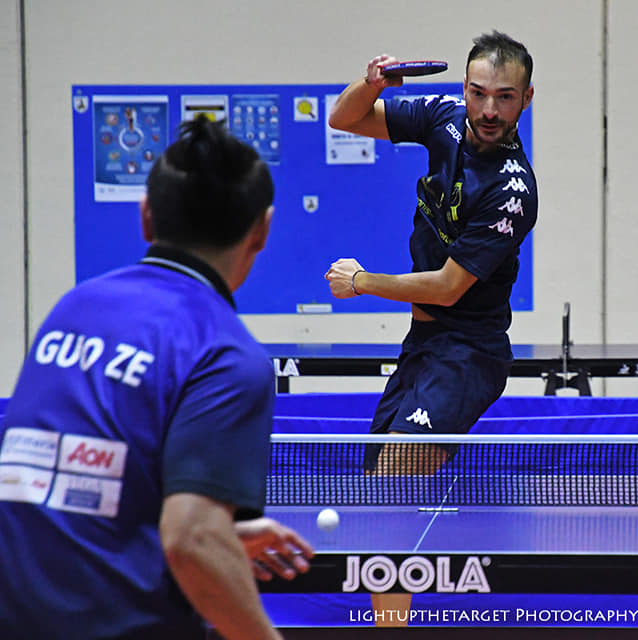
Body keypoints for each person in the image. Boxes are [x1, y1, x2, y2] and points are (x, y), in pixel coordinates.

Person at [0, 118, 312, 640]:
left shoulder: (74, 308)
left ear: (146, 217)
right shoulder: (228, 355)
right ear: (263, 228)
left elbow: (75, 488)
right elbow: (189, 542)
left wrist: (221, 533)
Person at [325, 30, 536, 626]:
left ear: (525, 100)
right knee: (378, 492)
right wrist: (373, 83)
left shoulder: (513, 191)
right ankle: (391, 628)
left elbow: (447, 287)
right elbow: (344, 120)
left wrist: (362, 281)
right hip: (424, 345)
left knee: (394, 475)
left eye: (505, 96)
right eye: (478, 92)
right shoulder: (443, 117)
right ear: (463, 90)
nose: (489, 109)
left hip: (469, 352)